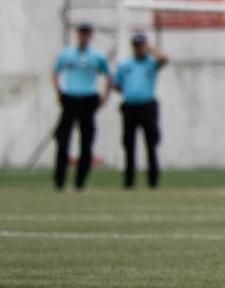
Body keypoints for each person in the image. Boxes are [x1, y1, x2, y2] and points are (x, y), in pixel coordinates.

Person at [51, 23, 109, 191]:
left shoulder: (97, 56)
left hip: (88, 100)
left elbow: (108, 76)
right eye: (81, 33)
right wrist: (59, 92)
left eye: (87, 33)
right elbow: (55, 72)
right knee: (62, 140)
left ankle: (80, 182)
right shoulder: (66, 54)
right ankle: (59, 182)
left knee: (86, 143)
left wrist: (105, 96)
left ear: (91, 36)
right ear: (77, 34)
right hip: (70, 99)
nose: (84, 37)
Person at [109, 32, 166, 190]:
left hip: (147, 107)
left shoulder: (151, 63)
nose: (138, 48)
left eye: (141, 45)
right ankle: (129, 182)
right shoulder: (125, 65)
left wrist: (151, 49)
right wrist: (128, 91)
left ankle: (153, 181)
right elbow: (115, 83)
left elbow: (164, 59)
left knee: (151, 145)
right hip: (130, 108)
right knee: (129, 146)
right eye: (136, 45)